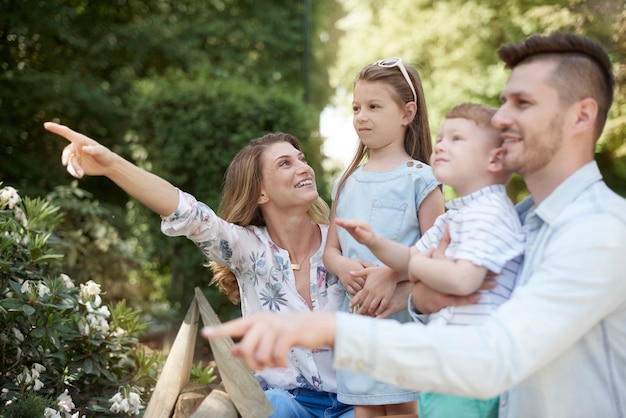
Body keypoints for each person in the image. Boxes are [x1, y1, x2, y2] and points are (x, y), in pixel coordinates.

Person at [203, 32, 626, 418]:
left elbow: (493, 357)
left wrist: (333, 327)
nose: (499, 119)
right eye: (505, 101)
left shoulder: (598, 232)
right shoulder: (513, 223)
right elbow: (446, 307)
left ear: (580, 116)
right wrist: (419, 295)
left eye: (523, 104)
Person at [43, 123, 354, 418]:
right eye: (285, 163)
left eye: (301, 158)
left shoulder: (345, 241)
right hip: (286, 405)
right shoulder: (249, 250)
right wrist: (111, 165)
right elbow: (187, 212)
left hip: (356, 401)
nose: (303, 167)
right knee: (272, 406)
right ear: (261, 194)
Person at [336, 103, 525, 418]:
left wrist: (417, 267)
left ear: (494, 158)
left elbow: (463, 279)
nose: (441, 145)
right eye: (441, 137)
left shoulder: (490, 213)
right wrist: (375, 241)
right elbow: (410, 255)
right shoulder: (457, 213)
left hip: (473, 371)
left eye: (456, 139)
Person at [323, 57, 444, 418]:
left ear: (407, 113)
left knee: (406, 408)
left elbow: (438, 250)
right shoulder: (346, 182)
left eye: (374, 107)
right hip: (358, 324)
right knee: (365, 410)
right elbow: (330, 250)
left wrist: (392, 273)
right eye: (357, 107)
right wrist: (342, 265)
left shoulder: (421, 179)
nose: (361, 116)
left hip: (404, 323)